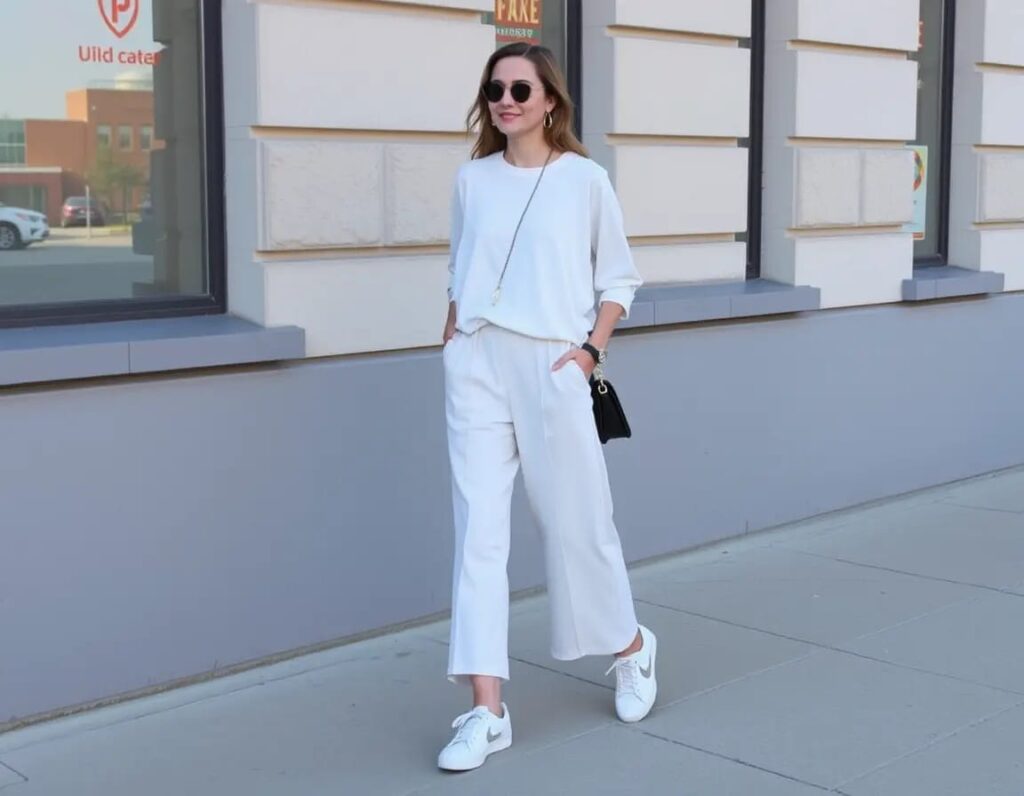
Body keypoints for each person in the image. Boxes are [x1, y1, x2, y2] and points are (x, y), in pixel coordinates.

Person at [437, 41, 657, 773]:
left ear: (550, 102)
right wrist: (454, 340)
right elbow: (458, 267)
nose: (506, 100)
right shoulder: (472, 180)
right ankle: (485, 708)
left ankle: (629, 645)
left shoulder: (585, 180)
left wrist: (591, 351)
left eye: (520, 90)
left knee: (576, 522)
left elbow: (620, 277)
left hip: (553, 363)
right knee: (478, 534)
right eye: (495, 88)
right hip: (477, 361)